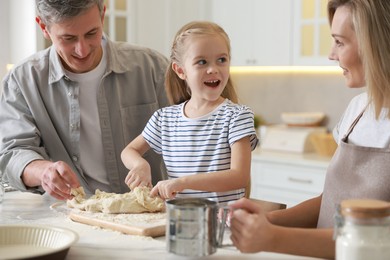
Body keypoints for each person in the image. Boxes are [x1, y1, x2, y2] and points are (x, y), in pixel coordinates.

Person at [229, 0, 390, 258]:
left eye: (340, 42)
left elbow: (380, 240)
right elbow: (329, 204)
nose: (331, 54)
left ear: (374, 43)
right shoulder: (357, 109)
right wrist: (269, 220)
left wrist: (273, 237)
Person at [0, 0, 169, 201]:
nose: (82, 50)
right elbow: (13, 153)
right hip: (69, 217)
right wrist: (43, 171)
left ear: (102, 15)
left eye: (91, 33)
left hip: (151, 213)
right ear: (44, 27)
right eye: (68, 38)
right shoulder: (21, 81)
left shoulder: (152, 68)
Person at [121, 21, 258, 203]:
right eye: (202, 62)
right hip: (178, 222)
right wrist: (140, 164)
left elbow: (238, 176)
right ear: (180, 70)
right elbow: (129, 151)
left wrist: (182, 183)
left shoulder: (237, 117)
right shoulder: (165, 119)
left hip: (222, 225)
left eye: (222, 60)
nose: (213, 69)